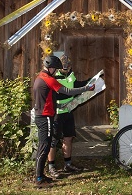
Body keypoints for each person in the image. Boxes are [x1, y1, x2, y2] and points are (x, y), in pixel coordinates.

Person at [33, 55, 95, 189]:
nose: (57, 72)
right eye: (56, 69)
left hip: (43, 115)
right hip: (46, 116)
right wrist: (86, 89)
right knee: (45, 146)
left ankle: (41, 176)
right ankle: (39, 178)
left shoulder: (40, 77)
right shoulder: (48, 79)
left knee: (44, 146)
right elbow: (67, 91)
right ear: (51, 68)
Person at [47, 54, 91, 178]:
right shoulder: (54, 77)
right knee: (53, 140)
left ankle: (68, 164)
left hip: (69, 112)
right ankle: (51, 166)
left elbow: (76, 85)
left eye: (68, 66)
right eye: (63, 67)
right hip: (57, 113)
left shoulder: (71, 75)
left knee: (68, 137)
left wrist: (91, 81)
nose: (66, 69)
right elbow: (62, 93)